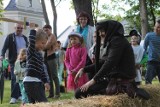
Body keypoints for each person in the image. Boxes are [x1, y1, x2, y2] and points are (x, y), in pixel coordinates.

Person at [74, 20, 138, 99]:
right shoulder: (113, 41)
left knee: (79, 93)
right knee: (79, 92)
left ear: (110, 30)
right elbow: (103, 62)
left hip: (121, 82)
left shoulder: (118, 41)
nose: (100, 34)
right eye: (99, 32)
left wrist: (93, 81)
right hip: (112, 80)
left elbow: (110, 63)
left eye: (102, 31)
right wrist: (84, 69)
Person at [0, 23, 28, 104]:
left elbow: (28, 48)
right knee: (14, 78)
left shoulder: (25, 38)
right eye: (18, 28)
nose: (19, 29)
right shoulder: (10, 37)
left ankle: (19, 94)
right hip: (13, 61)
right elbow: (4, 47)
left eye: (21, 28)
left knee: (22, 78)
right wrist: (2, 55)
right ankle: (13, 97)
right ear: (14, 28)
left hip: (23, 61)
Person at [23, 28, 50, 104]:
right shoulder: (31, 51)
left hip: (37, 82)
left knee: (33, 104)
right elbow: (31, 41)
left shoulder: (40, 55)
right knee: (43, 103)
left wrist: (46, 82)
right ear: (35, 41)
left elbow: (42, 70)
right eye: (42, 43)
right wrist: (32, 29)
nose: (44, 45)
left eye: (45, 43)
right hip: (31, 82)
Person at [43, 25, 60, 98]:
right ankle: (51, 93)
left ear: (50, 30)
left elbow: (46, 46)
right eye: (44, 30)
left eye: (47, 30)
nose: (45, 31)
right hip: (46, 58)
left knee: (54, 76)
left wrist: (43, 46)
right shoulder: (45, 37)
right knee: (48, 77)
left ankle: (57, 93)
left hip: (51, 57)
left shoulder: (52, 36)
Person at [144, 19, 160, 84]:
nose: (156, 28)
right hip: (151, 61)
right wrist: (143, 59)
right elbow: (144, 48)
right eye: (156, 26)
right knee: (148, 80)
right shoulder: (149, 35)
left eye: (159, 27)